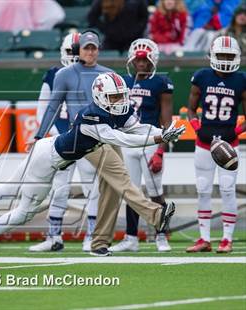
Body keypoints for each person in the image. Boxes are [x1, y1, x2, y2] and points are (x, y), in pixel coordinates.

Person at [0, 72, 184, 269]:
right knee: (23, 210)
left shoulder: (113, 110)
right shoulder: (92, 117)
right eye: (114, 97)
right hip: (48, 161)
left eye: (121, 96)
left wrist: (160, 133)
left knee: (7, 189)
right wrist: (159, 137)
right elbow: (122, 139)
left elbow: (137, 128)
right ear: (100, 97)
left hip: (48, 151)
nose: (119, 102)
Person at [29, 32, 99, 253]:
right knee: (59, 188)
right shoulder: (53, 74)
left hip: (87, 136)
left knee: (91, 186)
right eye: (70, 51)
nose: (73, 55)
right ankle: (54, 237)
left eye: (76, 51)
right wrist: (46, 136)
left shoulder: (94, 74)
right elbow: (45, 108)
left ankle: (92, 235)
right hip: (62, 139)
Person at [109, 38, 174, 253]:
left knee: (155, 191)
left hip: (150, 142)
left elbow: (166, 121)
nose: (141, 64)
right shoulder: (123, 82)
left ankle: (161, 235)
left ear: (152, 60)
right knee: (132, 192)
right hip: (129, 143)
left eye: (145, 60)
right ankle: (131, 237)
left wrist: (161, 151)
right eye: (138, 60)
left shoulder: (160, 83)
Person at [186, 35, 245, 253]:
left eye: (229, 55)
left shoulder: (241, 79)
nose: (226, 59)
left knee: (228, 190)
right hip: (204, 142)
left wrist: (235, 131)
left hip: (229, 143)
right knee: (203, 189)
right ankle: (204, 239)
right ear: (212, 55)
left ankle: (227, 239)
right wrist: (198, 129)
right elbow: (191, 109)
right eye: (222, 55)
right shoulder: (202, 76)